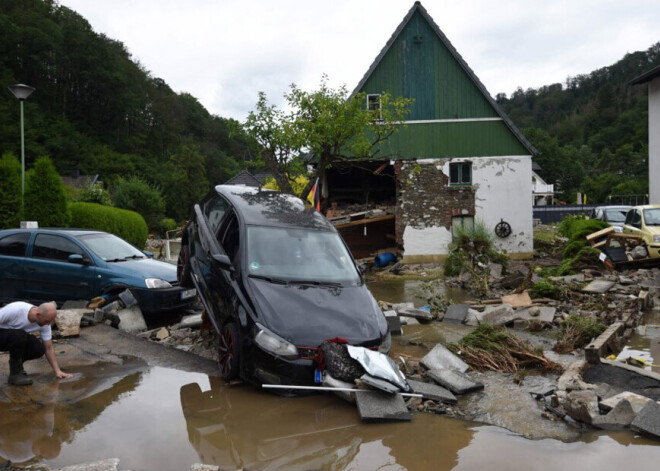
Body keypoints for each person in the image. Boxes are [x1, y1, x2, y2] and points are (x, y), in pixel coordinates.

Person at [0, 302, 72, 385]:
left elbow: (48, 348)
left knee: (38, 349)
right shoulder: (16, 309)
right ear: (38, 315)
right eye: (47, 321)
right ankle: (15, 375)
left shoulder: (45, 323)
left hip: (14, 338)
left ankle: (17, 369)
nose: (48, 324)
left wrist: (57, 371)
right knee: (19, 335)